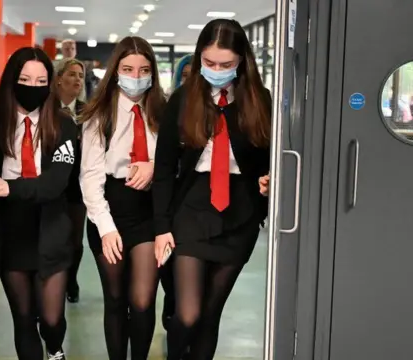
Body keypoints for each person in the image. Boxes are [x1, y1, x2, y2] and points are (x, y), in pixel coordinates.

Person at [152, 19, 272, 359]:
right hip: (192, 208)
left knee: (209, 316)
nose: (216, 70)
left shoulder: (259, 101)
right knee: (187, 314)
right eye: (209, 63)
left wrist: (267, 178)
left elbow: (268, 159)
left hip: (240, 214)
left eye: (226, 65)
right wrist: (162, 228)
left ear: (242, 63)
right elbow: (163, 170)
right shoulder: (183, 99)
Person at [79, 36, 167, 360]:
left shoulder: (163, 110)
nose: (136, 76)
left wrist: (155, 166)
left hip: (148, 212)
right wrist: (105, 227)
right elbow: (89, 178)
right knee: (116, 299)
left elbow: (176, 161)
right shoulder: (99, 114)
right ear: (115, 70)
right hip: (108, 211)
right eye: (128, 69)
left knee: (142, 300)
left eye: (144, 69)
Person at [0, 46, 78, 360]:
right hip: (11, 232)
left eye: (41, 80)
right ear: (12, 80)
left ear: (50, 84)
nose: (32, 87)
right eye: (25, 79)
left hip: (51, 228)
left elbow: (55, 183)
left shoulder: (64, 126)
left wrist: (7, 187)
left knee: (52, 320)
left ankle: (55, 351)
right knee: (24, 319)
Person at [160, 53, 193, 330]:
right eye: (184, 76)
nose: (189, 82)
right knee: (169, 274)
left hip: (190, 206)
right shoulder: (171, 107)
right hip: (165, 203)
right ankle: (170, 312)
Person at [54, 58, 87, 303]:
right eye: (72, 74)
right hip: (52, 184)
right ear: (59, 79)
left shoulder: (88, 111)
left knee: (76, 240)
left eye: (80, 76)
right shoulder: (47, 110)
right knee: (55, 238)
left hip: (78, 186)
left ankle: (71, 280)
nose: (77, 79)